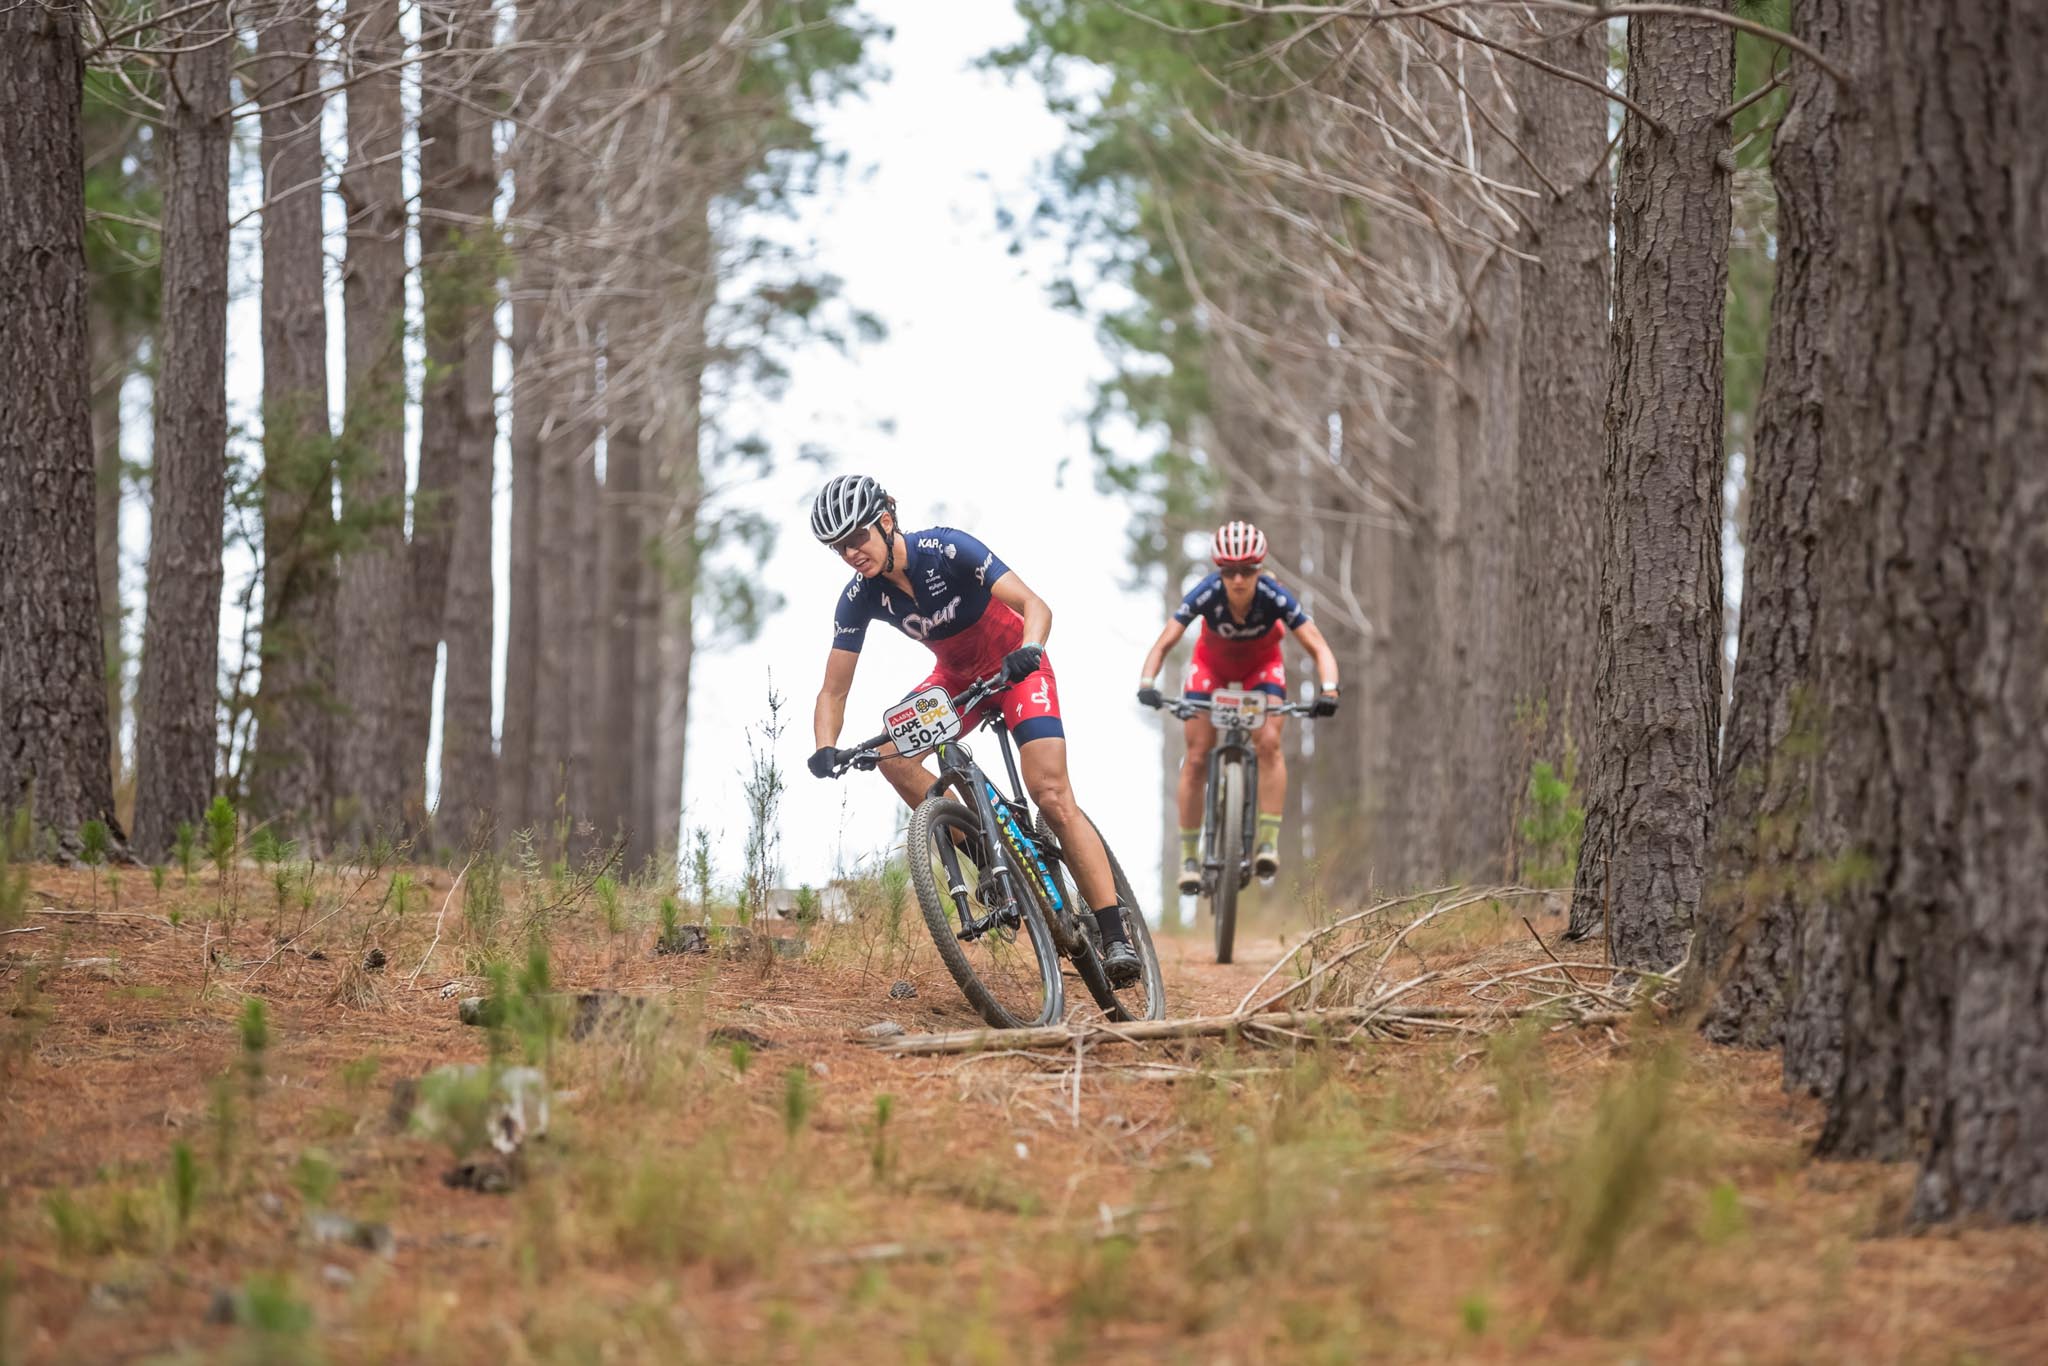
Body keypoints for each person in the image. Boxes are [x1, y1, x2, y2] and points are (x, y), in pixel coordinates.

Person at [804, 474, 1143, 986]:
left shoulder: (947, 548)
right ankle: (987, 851)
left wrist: (1030, 649)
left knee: (1050, 793)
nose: (850, 553)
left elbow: (1036, 606)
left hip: (1016, 669)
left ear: (887, 521)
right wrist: (825, 747)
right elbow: (833, 690)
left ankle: (1114, 931)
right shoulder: (860, 597)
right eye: (838, 547)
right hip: (955, 681)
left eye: (857, 538)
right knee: (891, 754)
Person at [1135, 520, 1340, 894]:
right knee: (1196, 756)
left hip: (1261, 669)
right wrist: (1147, 682)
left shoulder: (1275, 597)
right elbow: (1165, 641)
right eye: (1229, 571)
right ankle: (1189, 858)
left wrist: (1329, 690)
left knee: (1269, 743)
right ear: (1220, 572)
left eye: (1247, 570)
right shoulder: (1206, 593)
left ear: (1259, 570)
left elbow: (1318, 645)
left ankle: (1266, 842)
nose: (1239, 580)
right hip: (1210, 668)